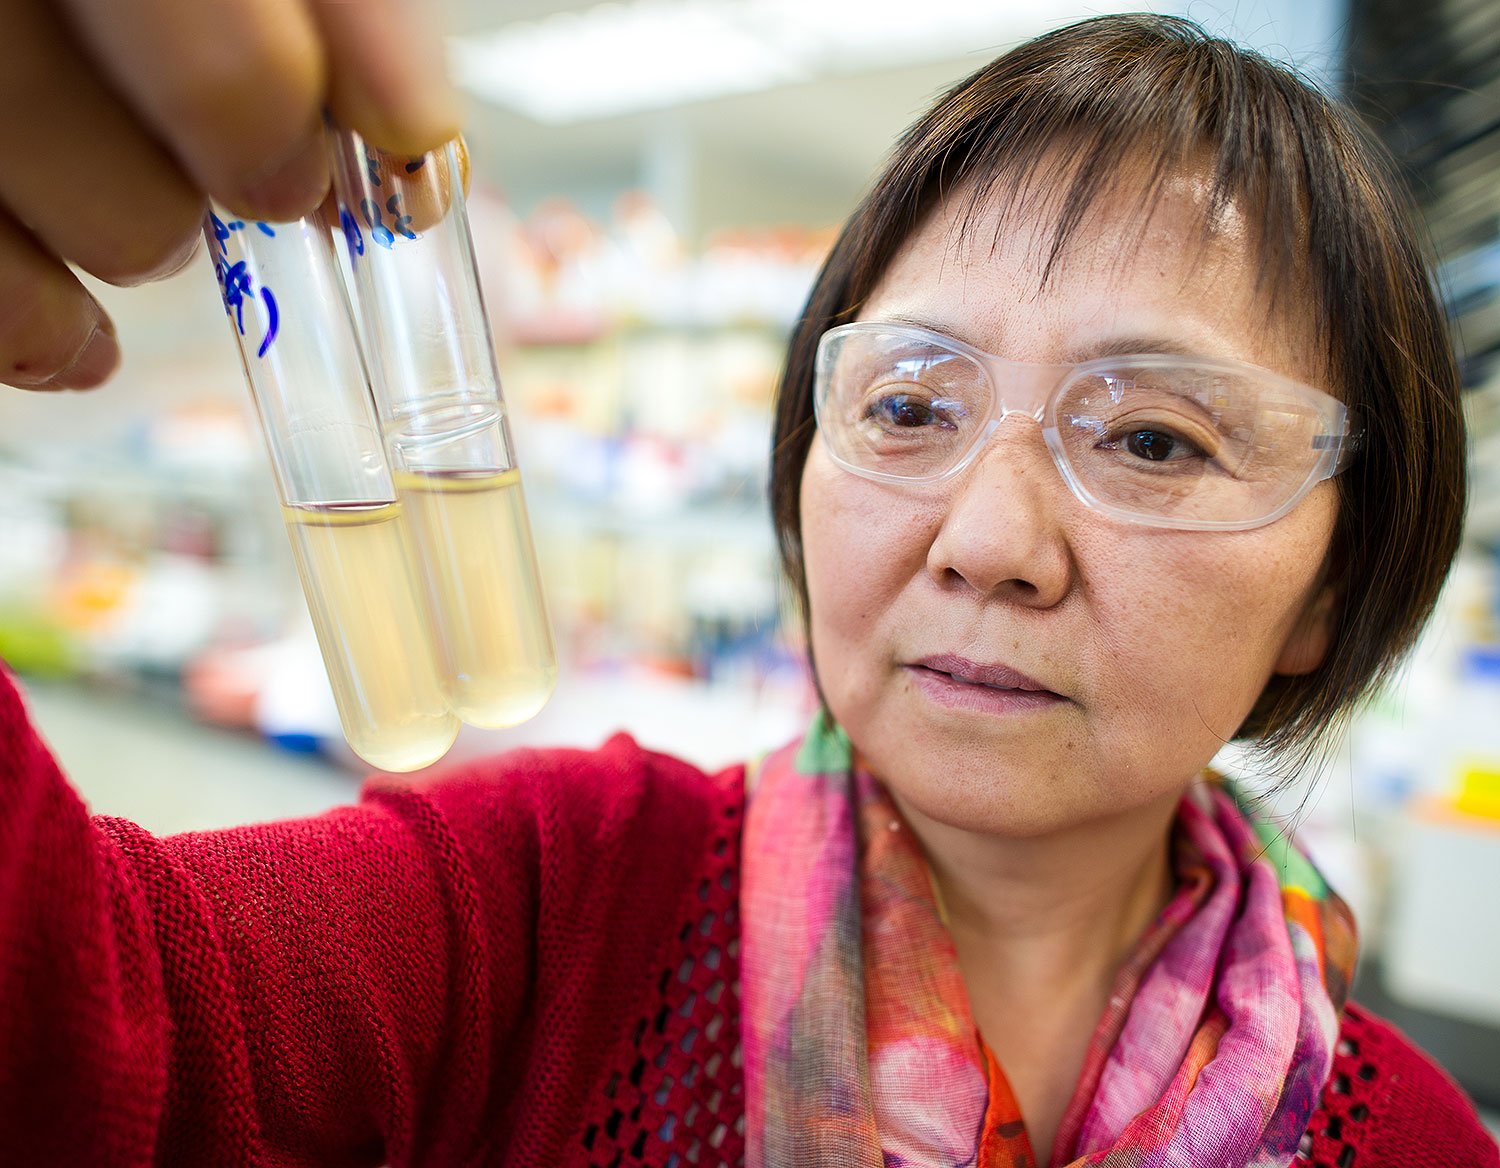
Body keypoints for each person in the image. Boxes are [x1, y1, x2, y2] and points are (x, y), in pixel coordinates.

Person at [0, 6, 1495, 1167]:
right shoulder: (549, 907)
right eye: (911, 407)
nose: (984, 540)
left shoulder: (1416, 1137)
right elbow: (82, 1043)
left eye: (1155, 437)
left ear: (1329, 582)